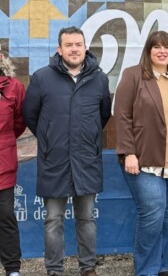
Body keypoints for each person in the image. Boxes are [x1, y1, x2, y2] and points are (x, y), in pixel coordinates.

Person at [23, 26, 111, 276]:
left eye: (78, 44)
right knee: (53, 219)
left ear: (85, 48)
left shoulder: (99, 79)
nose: (74, 49)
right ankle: (54, 269)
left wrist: (87, 138)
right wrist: (51, 138)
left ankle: (88, 268)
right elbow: (30, 115)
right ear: (59, 49)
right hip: (54, 160)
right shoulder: (42, 78)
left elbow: (103, 115)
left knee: (86, 218)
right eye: (69, 45)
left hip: (86, 160)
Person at [114, 30, 168, 276]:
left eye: (167, 47)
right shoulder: (133, 76)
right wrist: (128, 152)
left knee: (164, 215)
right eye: (157, 47)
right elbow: (122, 115)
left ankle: (161, 266)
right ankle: (146, 270)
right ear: (148, 51)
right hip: (143, 161)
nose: (162, 51)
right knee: (152, 214)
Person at [0, 50, 26, 276]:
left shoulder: (14, 87)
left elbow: (19, 122)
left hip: (3, 164)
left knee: (5, 215)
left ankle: (12, 269)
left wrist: (4, 142)